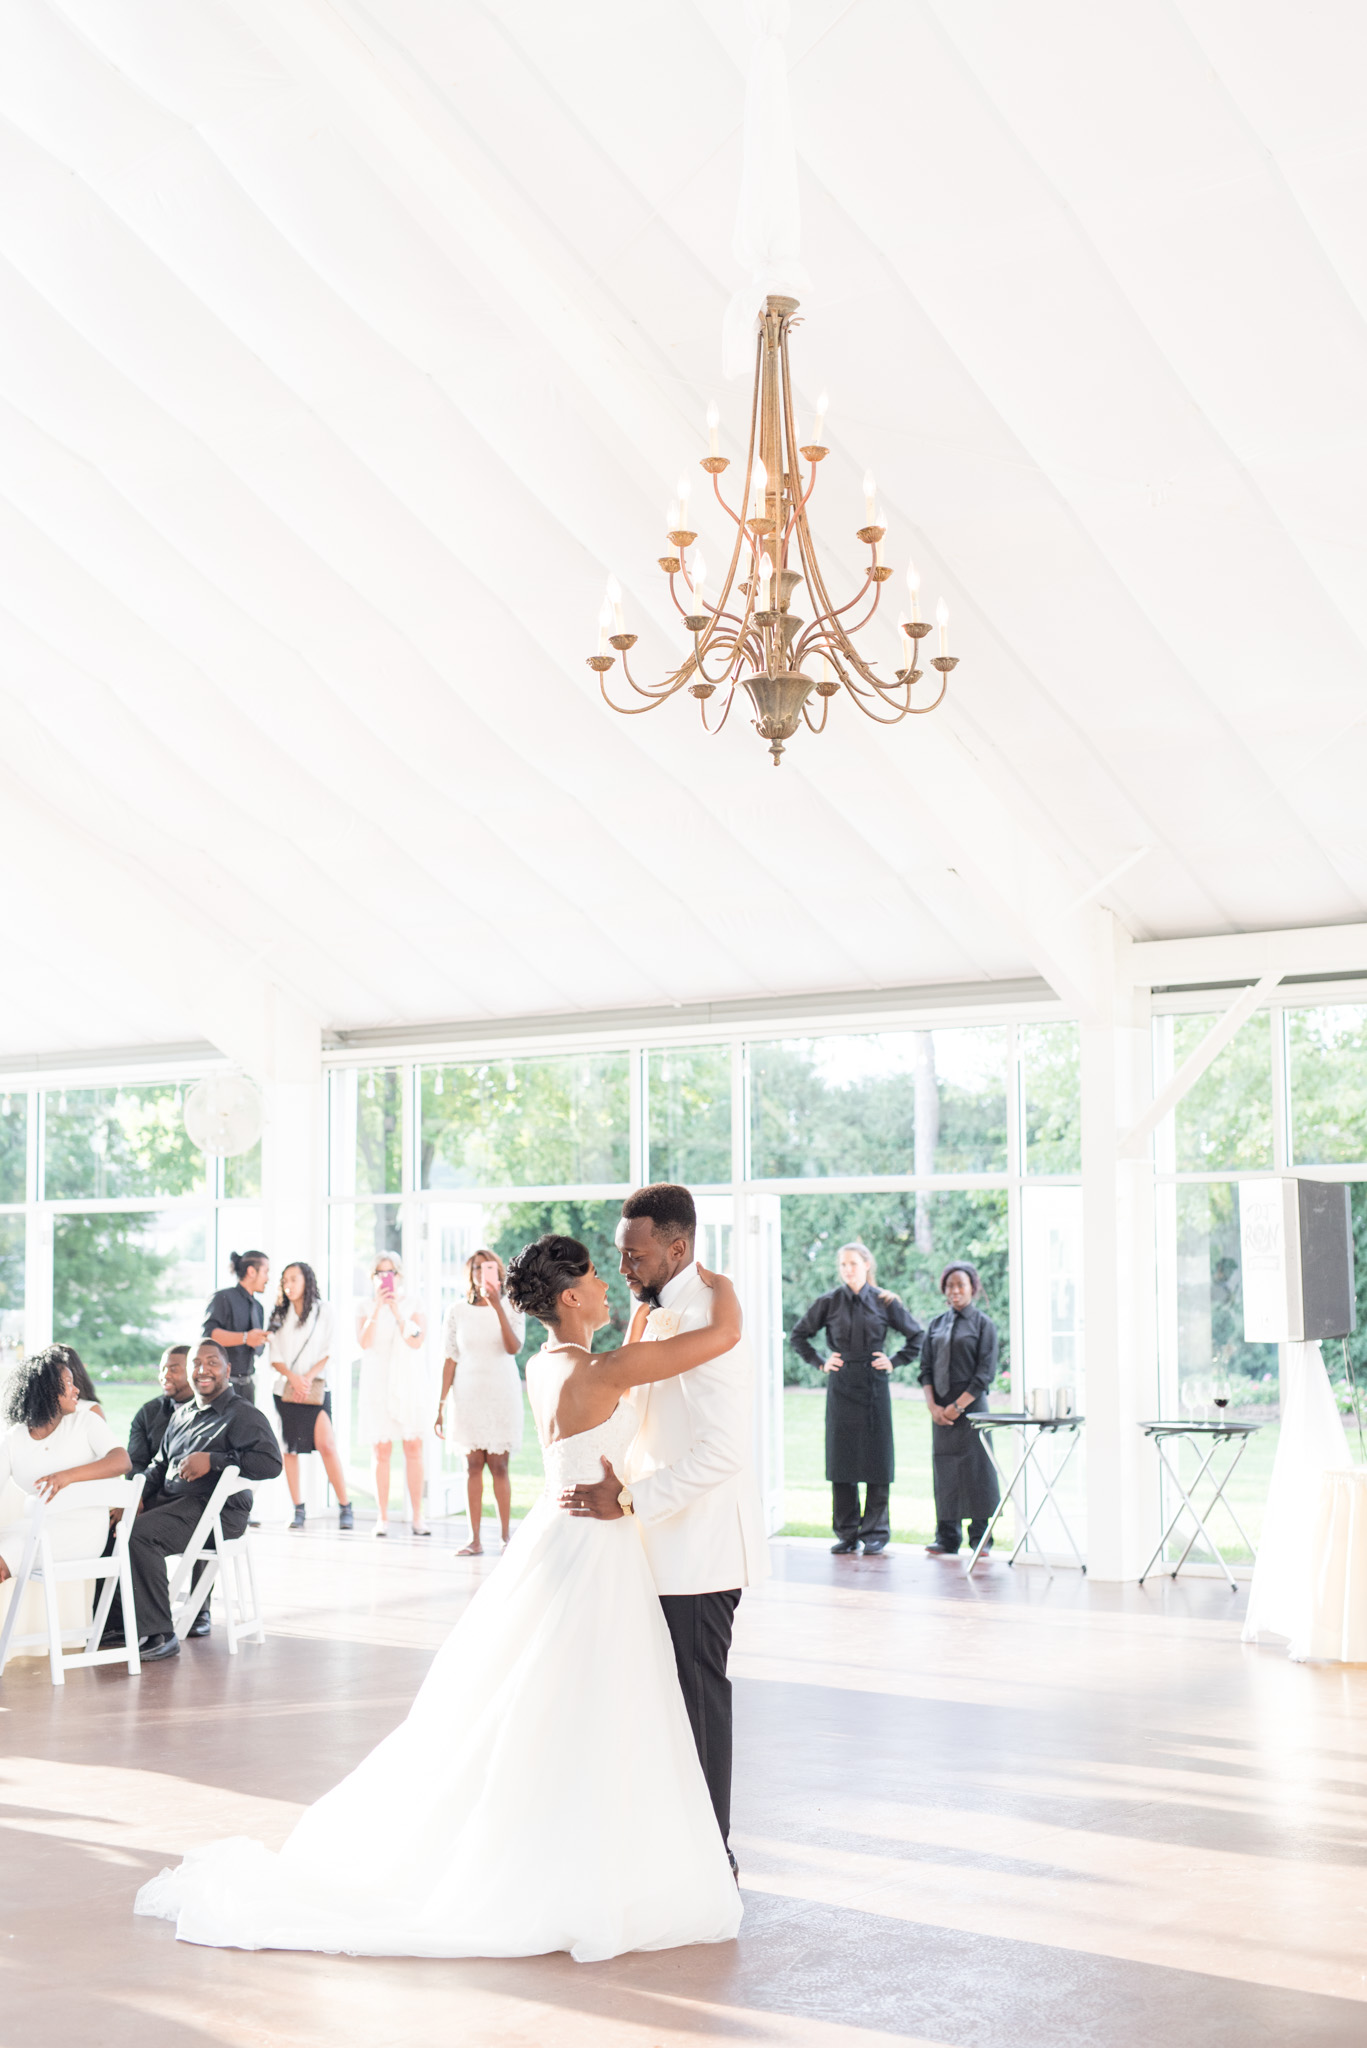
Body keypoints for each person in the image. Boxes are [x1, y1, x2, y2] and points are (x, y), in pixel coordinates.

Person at [134, 1235, 744, 1961]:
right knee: (596, 1697)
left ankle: (563, 1843)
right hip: (597, 1539)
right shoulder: (604, 1369)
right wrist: (719, 1280)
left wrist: (640, 1314)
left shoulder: (550, 1366)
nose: (613, 1288)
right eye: (595, 1280)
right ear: (572, 1296)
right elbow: (724, 1334)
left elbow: (629, 1362)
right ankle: (585, 1857)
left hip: (558, 1536)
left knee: (546, 1697)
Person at [559, 1184, 769, 1880]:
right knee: (661, 1698)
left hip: (699, 1548)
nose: (623, 1268)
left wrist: (632, 1501)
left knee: (698, 1697)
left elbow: (722, 1451)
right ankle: (670, 1839)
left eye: (634, 1254)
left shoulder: (708, 1314)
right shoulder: (654, 1314)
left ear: (677, 1248)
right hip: (654, 1543)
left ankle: (713, 1854)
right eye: (618, 1256)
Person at [104, 1342, 283, 1660]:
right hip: (176, 1503)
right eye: (196, 1363)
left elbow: (271, 1463)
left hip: (218, 1510)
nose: (203, 1369)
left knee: (140, 1535)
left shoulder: (243, 1415)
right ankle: (116, 1624)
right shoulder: (183, 1415)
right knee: (111, 1525)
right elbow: (159, 1465)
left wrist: (215, 1460)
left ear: (227, 1370)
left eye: (212, 1362)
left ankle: (160, 1633)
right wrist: (136, 1499)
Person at [790, 1241, 924, 1555]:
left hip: (875, 1385)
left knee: (877, 1459)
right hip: (842, 1386)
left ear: (866, 1264)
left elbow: (917, 1336)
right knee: (843, 1459)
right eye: (843, 1265)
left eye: (853, 1263)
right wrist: (821, 1362)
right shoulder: (828, 1302)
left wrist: (895, 1360)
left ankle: (875, 1532)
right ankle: (847, 1532)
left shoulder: (886, 1301)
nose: (848, 1270)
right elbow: (798, 1335)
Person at [0, 1354, 131, 1594]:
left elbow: (121, 1461)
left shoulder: (86, 1422)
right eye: (69, 1383)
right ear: (47, 1390)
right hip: (34, 1527)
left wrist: (65, 1476)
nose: (77, 1389)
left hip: (82, 1532)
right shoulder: (13, 1438)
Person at [436, 1249, 525, 1555]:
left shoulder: (512, 1305)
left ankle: (505, 1537)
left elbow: (514, 1347)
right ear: (468, 1273)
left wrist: (498, 1306)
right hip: (468, 1392)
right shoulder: (456, 1311)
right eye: (474, 1268)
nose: (479, 1272)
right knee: (472, 1465)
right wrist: (441, 1404)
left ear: (497, 1272)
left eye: (486, 1267)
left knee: (499, 1465)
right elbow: (450, 1358)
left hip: (501, 1390)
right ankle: (474, 1539)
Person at [920, 1262, 1002, 1557]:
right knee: (946, 1472)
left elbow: (985, 1374)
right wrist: (934, 1407)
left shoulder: (984, 1325)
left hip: (971, 1408)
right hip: (940, 1410)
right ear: (944, 1289)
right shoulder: (936, 1324)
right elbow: (925, 1369)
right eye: (950, 1285)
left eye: (961, 1285)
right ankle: (946, 1538)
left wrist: (958, 1406)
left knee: (977, 1473)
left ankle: (981, 1539)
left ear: (972, 1288)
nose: (955, 1290)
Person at [268, 1261, 353, 1532]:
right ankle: (298, 1509)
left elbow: (331, 1349)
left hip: (315, 1388)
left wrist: (307, 1378)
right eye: (284, 1280)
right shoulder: (279, 1314)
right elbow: (275, 1356)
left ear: (307, 1280)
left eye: (293, 1278)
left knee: (327, 1445)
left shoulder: (324, 1310)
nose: (288, 1284)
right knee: (289, 1450)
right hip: (286, 1389)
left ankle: (345, 1506)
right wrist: (293, 1378)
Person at [357, 1252, 428, 1538]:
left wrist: (398, 1312)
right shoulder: (363, 1305)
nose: (386, 1277)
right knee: (381, 1450)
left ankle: (417, 1516)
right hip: (377, 1382)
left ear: (399, 1275)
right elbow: (364, 1342)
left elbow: (416, 1341)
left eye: (390, 1272)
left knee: (413, 1447)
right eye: (380, 1273)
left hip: (407, 1381)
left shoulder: (413, 1303)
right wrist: (376, 1309)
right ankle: (382, 1517)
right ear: (373, 1278)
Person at [203, 1251, 271, 1406]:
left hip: (247, 1385)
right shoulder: (222, 1297)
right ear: (251, 1272)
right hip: (223, 1386)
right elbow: (208, 1336)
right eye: (266, 1272)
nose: (268, 1278)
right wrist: (246, 1337)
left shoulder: (258, 1307)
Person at [129, 1346, 193, 1471]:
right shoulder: (148, 1412)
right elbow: (135, 1463)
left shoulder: (212, 1410)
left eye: (173, 1370)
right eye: (162, 1370)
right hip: (152, 1486)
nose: (165, 1376)